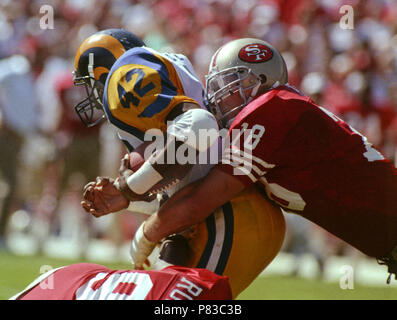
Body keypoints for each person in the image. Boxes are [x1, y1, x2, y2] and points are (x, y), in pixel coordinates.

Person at [121, 38, 397, 283]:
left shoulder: (270, 110)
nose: (216, 96)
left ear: (254, 81)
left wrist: (146, 234)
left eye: (226, 84)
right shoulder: (279, 112)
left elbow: (200, 202)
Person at [75, 30, 286, 298]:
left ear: (104, 71)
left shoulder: (124, 74)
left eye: (91, 83)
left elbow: (199, 127)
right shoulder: (167, 66)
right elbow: (187, 170)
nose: (92, 93)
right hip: (230, 209)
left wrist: (130, 188)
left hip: (224, 213)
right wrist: (127, 197)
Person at [10, 235, 232, 300]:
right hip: (76, 280)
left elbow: (173, 256)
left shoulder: (208, 288)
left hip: (71, 280)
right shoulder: (210, 289)